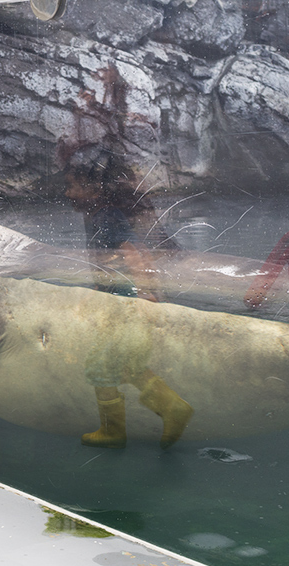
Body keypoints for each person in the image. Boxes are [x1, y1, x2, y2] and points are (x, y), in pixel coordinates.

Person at [63, 153, 193, 450]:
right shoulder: (98, 216)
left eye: (71, 186)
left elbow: (136, 254)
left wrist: (146, 294)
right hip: (122, 301)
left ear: (91, 187)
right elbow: (110, 260)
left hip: (127, 304)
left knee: (99, 365)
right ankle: (172, 407)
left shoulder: (105, 217)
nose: (67, 194)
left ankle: (114, 431)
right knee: (128, 366)